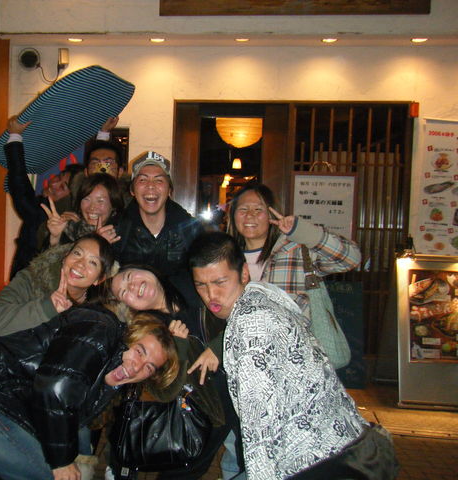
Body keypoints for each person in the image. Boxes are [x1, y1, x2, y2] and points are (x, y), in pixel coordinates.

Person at [188, 231, 399, 480]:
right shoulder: (264, 295)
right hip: (346, 444)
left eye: (220, 282)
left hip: (316, 461)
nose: (211, 294)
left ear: (243, 273)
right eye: (201, 285)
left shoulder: (250, 324)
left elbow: (260, 425)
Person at [0, 304, 179, 480]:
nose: (136, 366)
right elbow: (54, 389)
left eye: (149, 367)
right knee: (48, 473)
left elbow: (68, 413)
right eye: (139, 351)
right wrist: (61, 462)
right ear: (130, 337)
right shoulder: (102, 331)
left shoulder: (109, 378)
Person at [102, 265, 237, 480]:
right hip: (208, 410)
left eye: (129, 276)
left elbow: (242, 311)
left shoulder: (194, 282)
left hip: (246, 384)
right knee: (186, 470)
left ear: (145, 269)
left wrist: (217, 346)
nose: (133, 286)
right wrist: (180, 349)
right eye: (124, 292)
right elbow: (164, 390)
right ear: (128, 305)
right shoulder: (150, 332)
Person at [227, 181, 361, 317]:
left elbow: (351, 259)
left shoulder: (295, 250)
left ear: (271, 214)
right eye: (243, 209)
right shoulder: (227, 258)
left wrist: (302, 231)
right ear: (233, 215)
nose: (250, 215)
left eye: (258, 209)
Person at [0, 233, 114, 337]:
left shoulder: (98, 314)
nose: (80, 264)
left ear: (99, 279)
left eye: (92, 262)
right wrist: (46, 308)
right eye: (77, 253)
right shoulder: (33, 279)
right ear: (65, 257)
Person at [113, 151, 205, 307]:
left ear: (169, 190)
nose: (150, 186)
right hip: (134, 313)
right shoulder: (117, 230)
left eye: (159, 180)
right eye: (143, 180)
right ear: (132, 190)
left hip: (181, 310)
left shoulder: (191, 230)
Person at [4, 117, 47, 279]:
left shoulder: (41, 214)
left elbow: (19, 184)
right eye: (57, 179)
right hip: (23, 283)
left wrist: (15, 137)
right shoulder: (41, 208)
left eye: (63, 186)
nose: (53, 184)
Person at [40, 172, 124, 250]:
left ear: (113, 205)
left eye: (100, 201)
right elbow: (45, 260)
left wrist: (100, 244)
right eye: (86, 199)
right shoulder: (71, 229)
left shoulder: (121, 233)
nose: (92, 207)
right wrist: (55, 238)